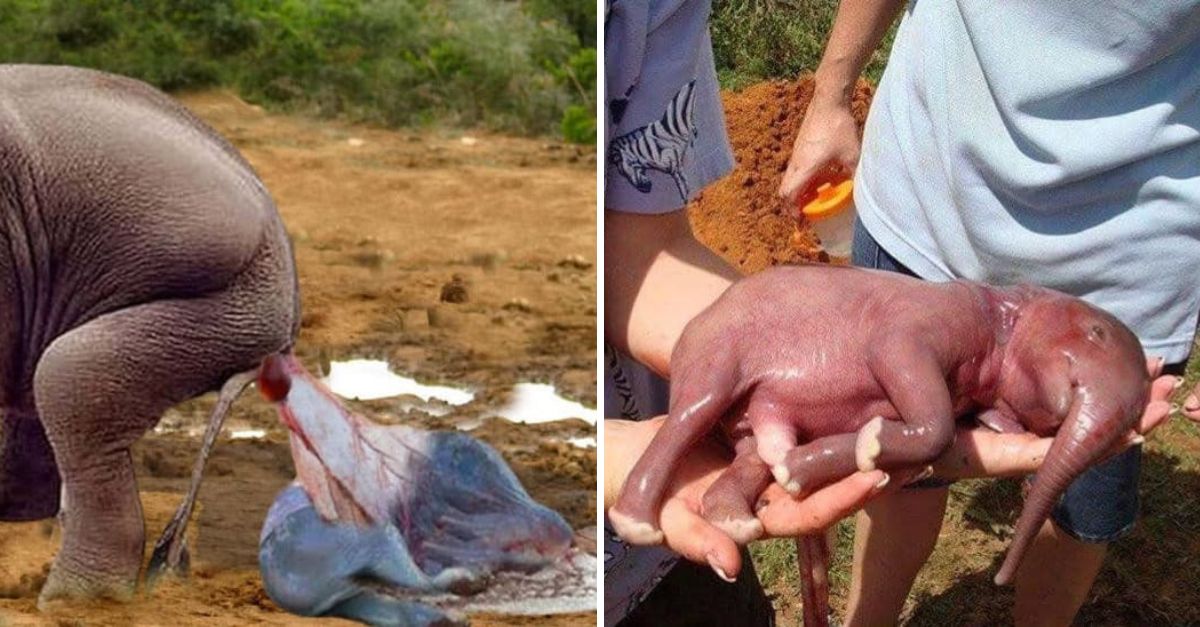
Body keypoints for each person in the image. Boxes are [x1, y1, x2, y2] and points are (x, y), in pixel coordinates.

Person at [604, 1, 1179, 625]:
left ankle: (732, 494)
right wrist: (928, 431)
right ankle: (644, 489)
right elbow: (895, 347)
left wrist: (814, 440)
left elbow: (641, 254)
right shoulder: (966, 317)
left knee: (758, 458)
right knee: (701, 409)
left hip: (691, 533)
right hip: (752, 337)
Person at [779, 1, 1200, 624]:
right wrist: (830, 93)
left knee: (1076, 498)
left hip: (1120, 253)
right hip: (928, 188)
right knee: (897, 464)